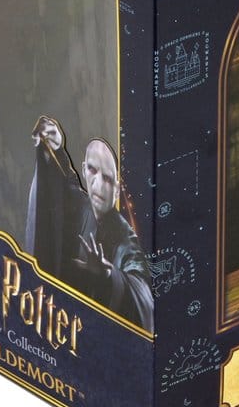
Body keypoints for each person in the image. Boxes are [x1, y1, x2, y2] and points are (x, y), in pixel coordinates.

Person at [25, 116, 154, 332]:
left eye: (107, 179)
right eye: (93, 171)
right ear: (84, 169)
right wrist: (55, 149)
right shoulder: (83, 205)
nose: (98, 185)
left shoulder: (125, 239)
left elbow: (144, 297)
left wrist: (109, 275)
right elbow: (65, 189)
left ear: (116, 189)